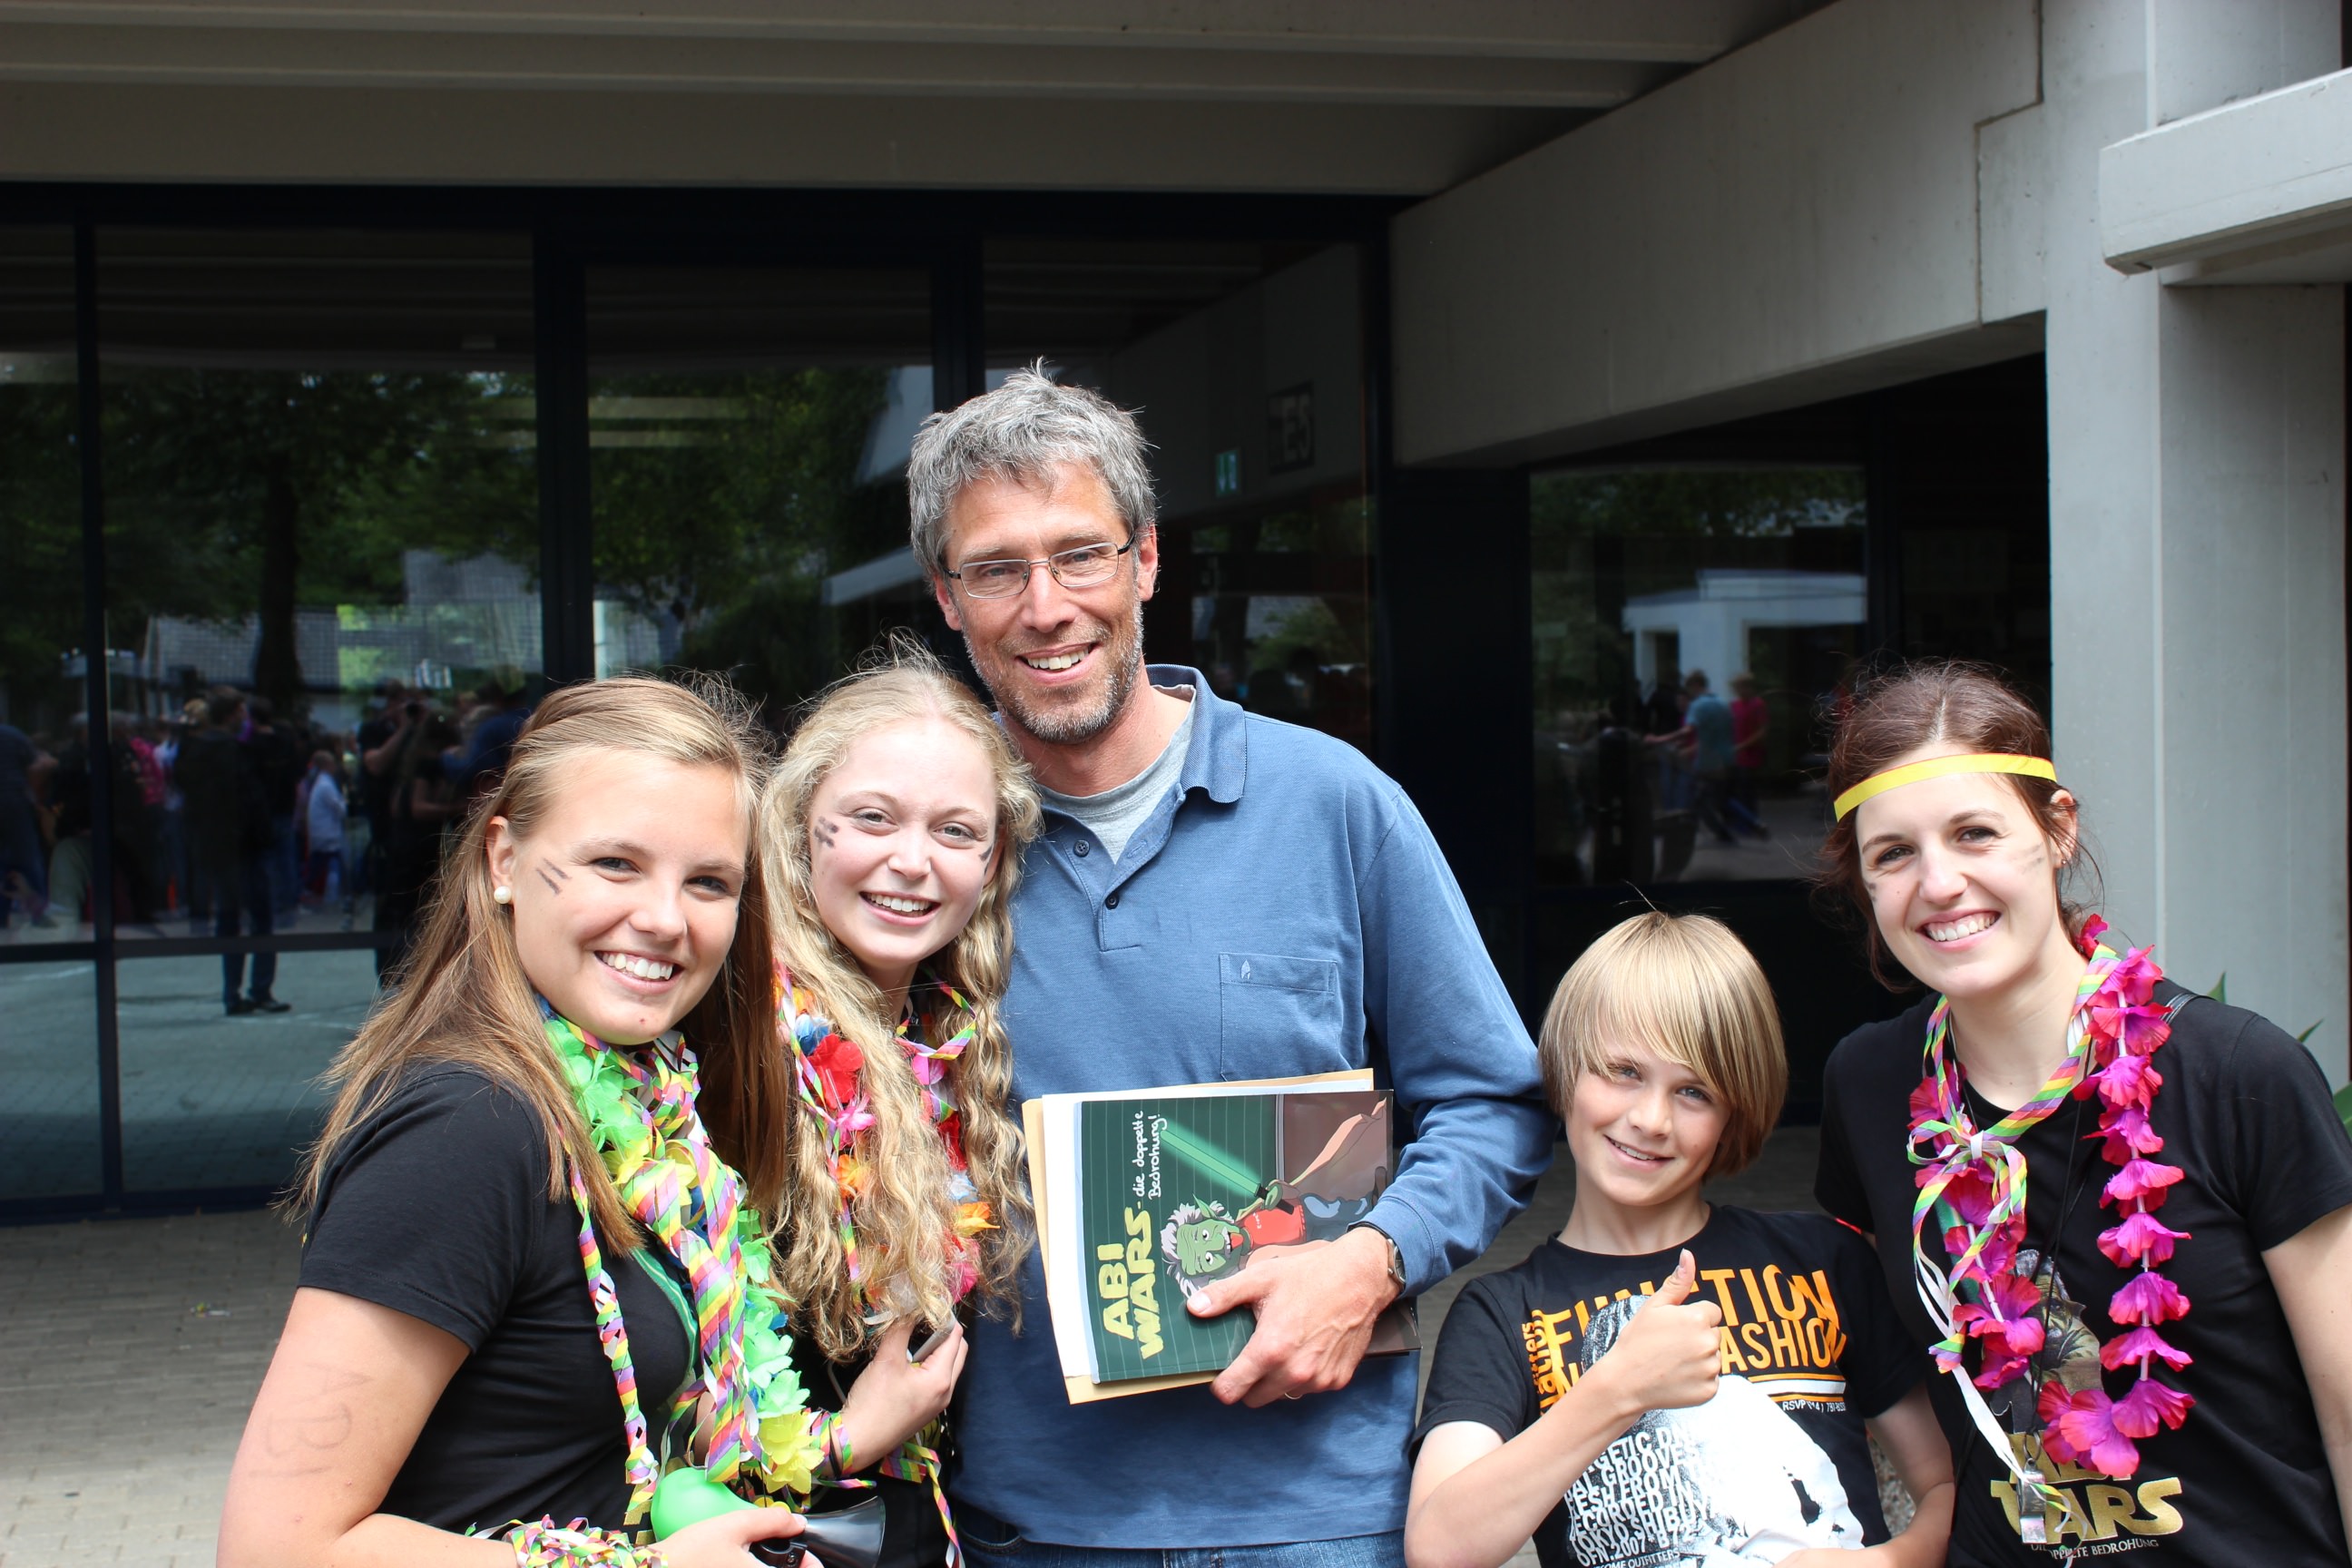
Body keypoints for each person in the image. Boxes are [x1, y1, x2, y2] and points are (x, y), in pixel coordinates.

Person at [906, 368, 1554, 1563]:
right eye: (996, 569)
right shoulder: (921, 852)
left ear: (1147, 559)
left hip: (1316, 1512)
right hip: (1032, 1517)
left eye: (1081, 555)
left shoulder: (1336, 804)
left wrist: (1371, 1261)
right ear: (948, 596)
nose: (1047, 606)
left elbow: (1493, 1104)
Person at [219, 677, 814, 1568]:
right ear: (502, 860)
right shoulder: (467, 1127)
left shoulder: (641, 1095)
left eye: (708, 882)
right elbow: (274, 1549)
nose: (664, 919)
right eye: (615, 864)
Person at [1810, 662, 2352, 1565]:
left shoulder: (2237, 1075)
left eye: (1974, 833)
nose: (1938, 883)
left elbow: (2346, 1407)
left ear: (2057, 829)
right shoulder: (1868, 1085)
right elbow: (1898, 1361)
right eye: (1894, 853)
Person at [1406, 912, 1955, 1568]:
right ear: (1566, 1069)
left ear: (1733, 1114)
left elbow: (1951, 1487)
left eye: (1693, 1091)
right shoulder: (1502, 1314)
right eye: (1623, 1072)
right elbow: (1438, 1548)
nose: (1651, 1119)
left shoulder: (1822, 1263)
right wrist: (1616, 1392)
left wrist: (1889, 1563)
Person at [756, 642, 1043, 1566]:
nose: (912, 862)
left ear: (992, 862)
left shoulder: (949, 1047)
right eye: (872, 818)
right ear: (801, 825)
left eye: (956, 832)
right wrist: (843, 1443)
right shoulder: (734, 1054)